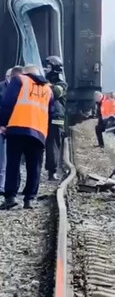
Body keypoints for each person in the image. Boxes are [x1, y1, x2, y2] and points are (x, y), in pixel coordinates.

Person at [0, 64, 55, 210]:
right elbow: (51, 113)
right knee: (34, 166)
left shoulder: (19, 80)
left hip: (16, 128)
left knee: (13, 164)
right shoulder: (48, 89)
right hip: (38, 132)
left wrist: (3, 123)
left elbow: (7, 103)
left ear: (25, 73)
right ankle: (29, 199)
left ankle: (10, 197)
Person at [43, 56, 68, 181]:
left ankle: (52, 171)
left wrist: (44, 84)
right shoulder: (44, 81)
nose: (45, 69)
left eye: (48, 67)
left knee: (53, 144)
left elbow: (54, 93)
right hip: (43, 115)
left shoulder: (61, 84)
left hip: (56, 117)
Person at [0, 66, 22, 195]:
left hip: (16, 127)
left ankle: (15, 186)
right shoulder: (1, 88)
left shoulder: (22, 88)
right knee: (2, 160)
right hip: (3, 128)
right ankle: (2, 186)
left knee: (15, 159)